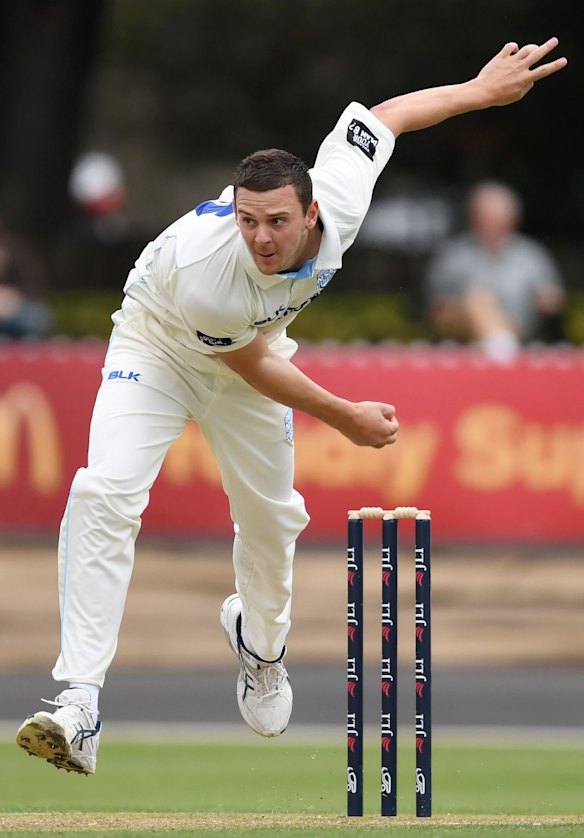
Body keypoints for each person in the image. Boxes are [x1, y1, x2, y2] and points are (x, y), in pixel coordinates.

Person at [16, 38, 566, 775]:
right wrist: (345, 415)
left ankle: (261, 645)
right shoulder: (212, 269)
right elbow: (243, 359)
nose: (261, 238)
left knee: (272, 521)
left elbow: (386, 118)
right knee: (105, 491)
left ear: (312, 211)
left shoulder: (339, 192)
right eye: (248, 221)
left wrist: (477, 90)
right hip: (157, 345)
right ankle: (78, 703)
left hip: (249, 354)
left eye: (277, 221)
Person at [424, 180, 565, 362]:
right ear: (473, 217)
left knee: (483, 305)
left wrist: (547, 299)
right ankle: (502, 346)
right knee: (478, 301)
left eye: (496, 217)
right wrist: (472, 308)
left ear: (512, 219)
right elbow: (434, 308)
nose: (490, 223)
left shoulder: (531, 255)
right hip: (463, 336)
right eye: (485, 216)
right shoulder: (453, 256)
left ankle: (500, 343)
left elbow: (554, 300)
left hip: (522, 331)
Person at [0, 222, 53, 340]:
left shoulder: (14, 248)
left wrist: (13, 297)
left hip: (19, 307)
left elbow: (36, 281)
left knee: (35, 317)